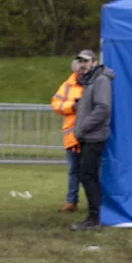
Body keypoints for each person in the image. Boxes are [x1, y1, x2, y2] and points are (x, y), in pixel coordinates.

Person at [70, 49, 113, 231]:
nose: (82, 64)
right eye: (80, 61)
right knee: (87, 175)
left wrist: (83, 126)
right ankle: (94, 215)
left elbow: (103, 108)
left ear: (94, 62)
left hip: (94, 136)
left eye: (86, 61)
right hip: (88, 136)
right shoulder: (89, 81)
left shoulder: (100, 80)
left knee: (88, 175)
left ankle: (94, 218)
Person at [50, 59, 85, 212]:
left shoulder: (94, 84)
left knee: (91, 171)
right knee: (73, 170)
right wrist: (73, 106)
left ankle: (96, 202)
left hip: (90, 134)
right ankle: (71, 201)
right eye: (79, 70)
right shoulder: (67, 86)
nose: (81, 72)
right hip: (72, 136)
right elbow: (56, 105)